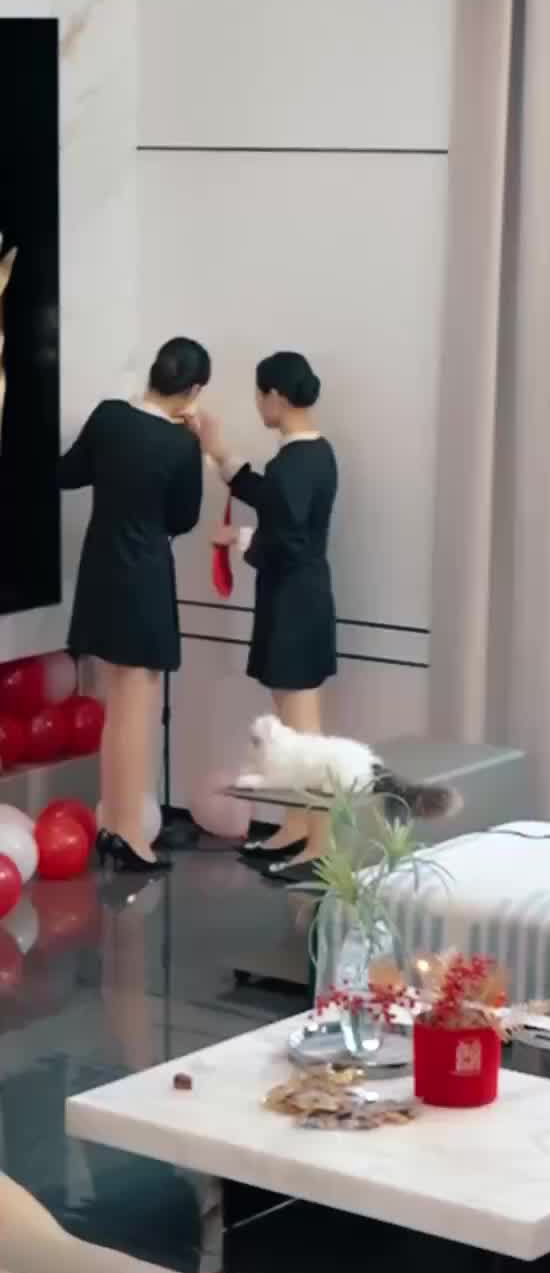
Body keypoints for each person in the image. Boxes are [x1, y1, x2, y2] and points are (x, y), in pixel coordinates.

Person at [61, 337, 211, 872]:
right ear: (193, 390)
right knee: (136, 711)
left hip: (100, 572)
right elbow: (183, 519)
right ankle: (127, 835)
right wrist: (191, 442)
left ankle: (113, 826)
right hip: (144, 577)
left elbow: (67, 473)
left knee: (116, 710)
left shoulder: (109, 417)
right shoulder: (181, 445)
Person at [197, 351, 338, 882]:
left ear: (275, 396)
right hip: (294, 601)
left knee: (303, 738)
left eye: (259, 396)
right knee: (290, 731)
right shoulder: (307, 454)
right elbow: (274, 501)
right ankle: (296, 829)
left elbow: (289, 540)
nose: (258, 405)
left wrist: (240, 538)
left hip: (296, 605)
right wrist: (221, 455)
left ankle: (319, 845)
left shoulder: (297, 461)